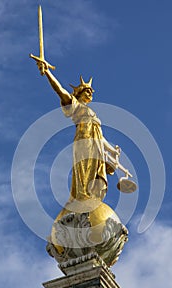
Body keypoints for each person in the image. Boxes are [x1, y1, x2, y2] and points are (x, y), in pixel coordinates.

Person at [36, 61, 120, 203]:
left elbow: (100, 137)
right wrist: (48, 73)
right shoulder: (76, 106)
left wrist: (112, 151)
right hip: (84, 140)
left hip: (96, 144)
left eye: (91, 91)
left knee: (95, 171)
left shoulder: (92, 113)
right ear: (80, 93)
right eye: (87, 90)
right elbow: (60, 91)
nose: (91, 92)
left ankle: (92, 197)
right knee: (84, 168)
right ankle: (82, 196)